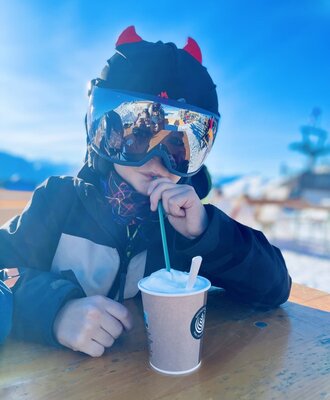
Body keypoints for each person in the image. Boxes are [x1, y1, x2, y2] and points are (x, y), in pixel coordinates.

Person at [0, 26, 291, 357]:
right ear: (104, 133)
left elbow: (275, 287)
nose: (158, 161)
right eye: (137, 138)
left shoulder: (185, 226)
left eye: (178, 148)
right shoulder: (59, 202)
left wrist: (207, 233)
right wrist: (54, 312)